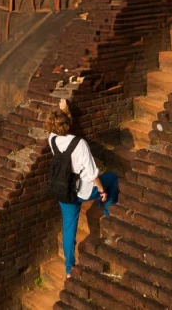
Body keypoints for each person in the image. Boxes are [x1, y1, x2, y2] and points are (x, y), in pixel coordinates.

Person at [47, 98, 119, 278]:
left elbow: (60, 125)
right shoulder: (79, 144)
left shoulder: (52, 140)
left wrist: (63, 110)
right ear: (69, 123)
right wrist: (101, 191)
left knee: (69, 228)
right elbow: (93, 174)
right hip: (84, 191)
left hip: (64, 191)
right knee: (111, 178)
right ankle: (108, 211)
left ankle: (69, 268)